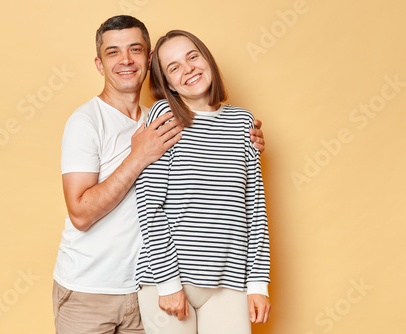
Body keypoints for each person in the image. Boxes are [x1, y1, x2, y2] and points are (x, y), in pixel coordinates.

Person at [52, 16, 266, 334]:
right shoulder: (88, 121)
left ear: (149, 60)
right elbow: (81, 215)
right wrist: (138, 156)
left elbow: (240, 196)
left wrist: (241, 141)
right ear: (99, 64)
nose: (125, 60)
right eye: (113, 52)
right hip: (91, 288)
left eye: (135, 49)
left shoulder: (162, 117)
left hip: (140, 286)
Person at [135, 30, 271, 334]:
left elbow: (255, 207)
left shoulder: (243, 122)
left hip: (230, 280)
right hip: (169, 279)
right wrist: (168, 283)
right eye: (174, 67)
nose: (188, 69)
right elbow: (149, 205)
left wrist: (258, 283)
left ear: (206, 58)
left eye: (192, 57)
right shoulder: (164, 116)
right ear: (167, 84)